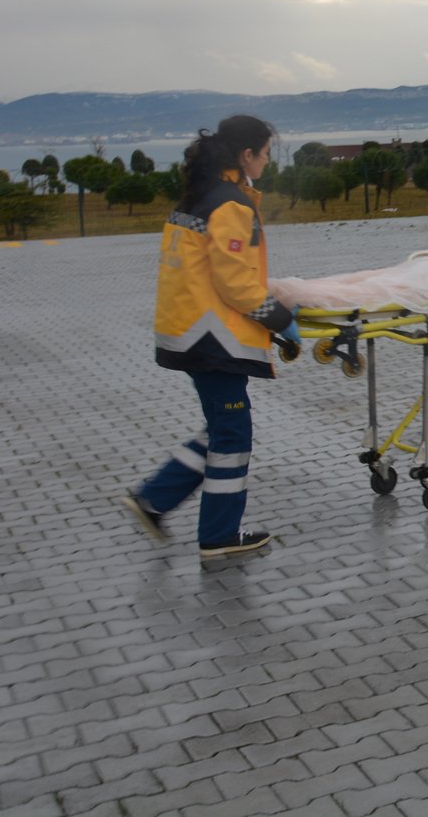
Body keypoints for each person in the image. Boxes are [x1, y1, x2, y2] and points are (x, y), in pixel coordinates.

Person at [122, 115, 296, 559]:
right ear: (247, 155)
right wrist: (279, 320)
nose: (268, 162)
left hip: (188, 331)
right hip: (211, 339)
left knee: (222, 428)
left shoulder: (200, 196)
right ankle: (218, 535)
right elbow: (235, 284)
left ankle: (153, 500)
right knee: (233, 438)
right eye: (266, 153)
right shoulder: (231, 205)